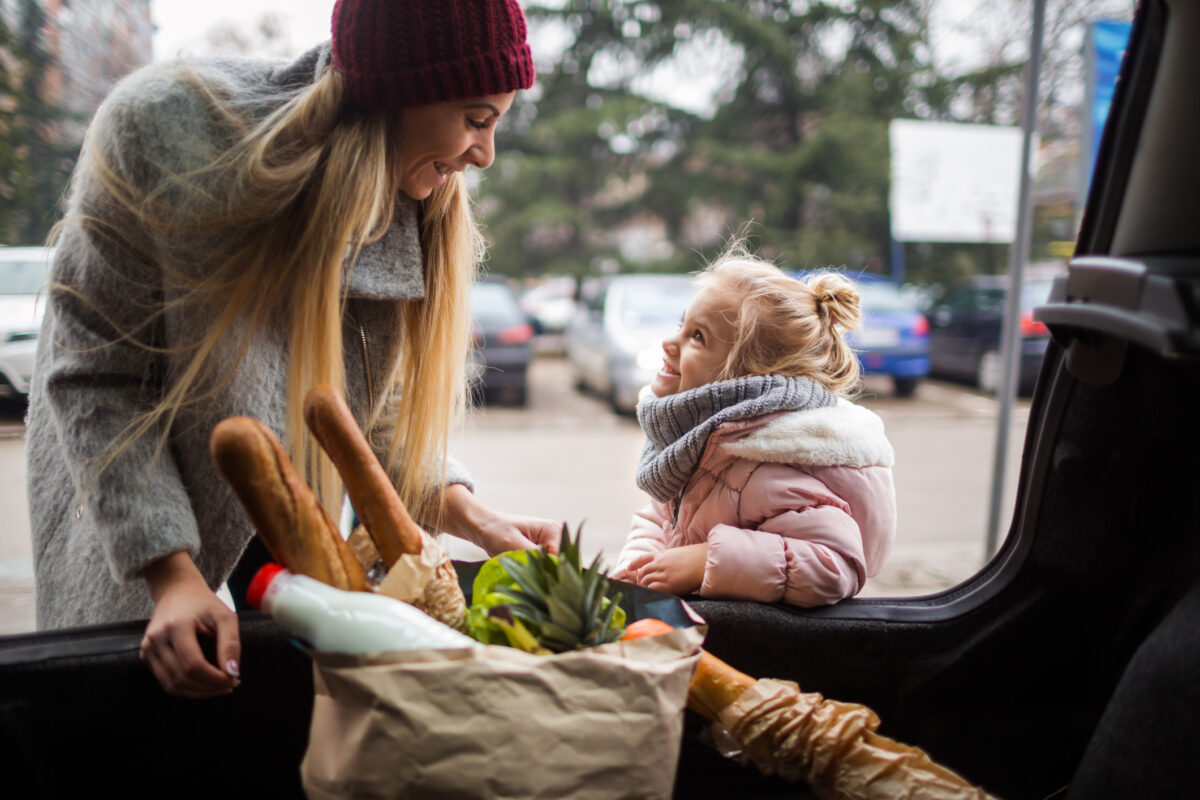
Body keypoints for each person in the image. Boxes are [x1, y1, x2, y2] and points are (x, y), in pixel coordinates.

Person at [26, 0, 559, 699]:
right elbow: (97, 377)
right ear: (400, 92)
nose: (483, 154)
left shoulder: (412, 194)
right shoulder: (160, 132)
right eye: (476, 118)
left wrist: (470, 515)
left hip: (287, 533)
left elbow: (373, 408)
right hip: (137, 526)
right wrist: (172, 573)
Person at [612, 242, 896, 606]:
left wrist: (705, 561)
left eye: (698, 337)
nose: (670, 342)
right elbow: (661, 516)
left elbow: (834, 564)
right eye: (682, 325)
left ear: (742, 379)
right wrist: (635, 574)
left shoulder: (763, 467)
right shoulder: (699, 438)